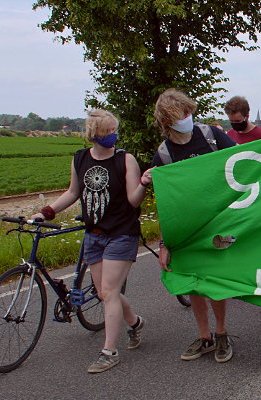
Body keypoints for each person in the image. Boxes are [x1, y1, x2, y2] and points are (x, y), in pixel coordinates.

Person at [32, 109, 148, 373]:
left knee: (108, 292)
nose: (112, 136)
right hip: (93, 234)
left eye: (113, 130)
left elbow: (133, 200)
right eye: (107, 131)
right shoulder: (80, 159)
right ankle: (136, 323)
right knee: (106, 293)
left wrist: (143, 183)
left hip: (121, 233)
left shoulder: (126, 160)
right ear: (93, 134)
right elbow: (73, 192)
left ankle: (109, 352)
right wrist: (46, 211)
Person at [149, 88, 238, 363]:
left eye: (188, 111)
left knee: (214, 281)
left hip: (218, 222)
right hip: (186, 229)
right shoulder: (163, 156)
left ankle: (221, 333)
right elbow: (166, 206)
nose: (187, 117)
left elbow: (245, 161)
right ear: (167, 121)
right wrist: (164, 244)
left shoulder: (211, 136)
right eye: (180, 114)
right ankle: (205, 337)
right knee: (193, 283)